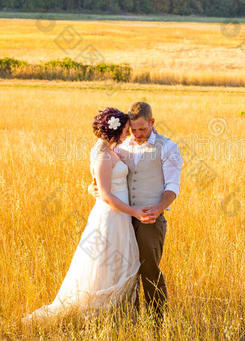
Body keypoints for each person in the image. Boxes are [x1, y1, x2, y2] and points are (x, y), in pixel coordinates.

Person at [22, 107, 156, 324]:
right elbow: (104, 193)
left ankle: (116, 312)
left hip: (120, 217)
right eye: (124, 129)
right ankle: (97, 313)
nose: (128, 132)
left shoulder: (113, 150)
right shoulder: (103, 155)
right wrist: (134, 212)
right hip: (111, 216)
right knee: (105, 261)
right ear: (114, 130)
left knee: (118, 261)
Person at [89, 102, 183, 326]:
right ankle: (129, 319)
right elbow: (104, 175)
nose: (138, 134)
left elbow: (173, 187)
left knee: (149, 269)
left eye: (143, 129)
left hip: (150, 219)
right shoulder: (121, 147)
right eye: (134, 130)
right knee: (124, 270)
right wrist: (92, 188)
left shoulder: (168, 147)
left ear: (152, 123)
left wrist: (158, 208)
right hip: (122, 219)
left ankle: (155, 322)